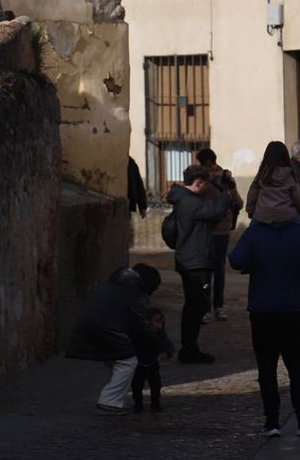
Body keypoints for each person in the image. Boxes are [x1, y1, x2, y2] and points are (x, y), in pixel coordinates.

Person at [229, 203, 300, 437]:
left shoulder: (255, 231)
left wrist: (255, 263)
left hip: (262, 307)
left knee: (266, 367)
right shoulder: (299, 232)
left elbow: (236, 260)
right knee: (296, 367)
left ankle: (272, 422)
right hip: (291, 306)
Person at [65, 263, 165, 414]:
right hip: (104, 327)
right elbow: (140, 326)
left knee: (117, 359)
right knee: (127, 361)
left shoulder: (117, 285)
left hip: (91, 325)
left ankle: (111, 397)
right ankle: (109, 402)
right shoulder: (133, 294)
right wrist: (157, 343)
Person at [166, 164, 229, 363]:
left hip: (190, 258)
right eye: (206, 185)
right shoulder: (190, 202)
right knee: (197, 306)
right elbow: (217, 211)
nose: (207, 189)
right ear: (198, 183)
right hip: (196, 260)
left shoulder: (182, 199)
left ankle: (189, 347)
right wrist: (226, 193)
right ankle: (189, 349)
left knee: (194, 304)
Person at [195, 147, 243, 322]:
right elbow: (238, 202)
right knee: (215, 270)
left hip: (210, 229)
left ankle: (210, 309)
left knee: (210, 270)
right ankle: (216, 308)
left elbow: (238, 202)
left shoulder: (205, 179)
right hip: (217, 230)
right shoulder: (221, 178)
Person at [247, 140, 300, 224]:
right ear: (285, 156)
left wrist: (250, 211)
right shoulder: (289, 175)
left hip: (262, 216)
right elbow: (298, 199)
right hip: (286, 217)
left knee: (249, 235)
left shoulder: (262, 174)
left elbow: (252, 194)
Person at [131, 308, 177, 412]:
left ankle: (155, 403)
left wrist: (167, 353)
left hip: (152, 364)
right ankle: (138, 403)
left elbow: (168, 345)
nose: (159, 326)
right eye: (157, 322)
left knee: (155, 385)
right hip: (139, 365)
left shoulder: (160, 334)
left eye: (161, 322)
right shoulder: (139, 335)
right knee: (137, 386)